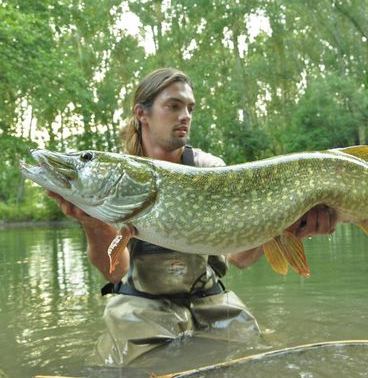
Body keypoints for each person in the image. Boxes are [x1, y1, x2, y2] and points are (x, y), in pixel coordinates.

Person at [48, 68, 337, 366]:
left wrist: (284, 226)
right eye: (173, 106)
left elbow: (241, 257)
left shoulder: (210, 169)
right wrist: (92, 222)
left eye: (189, 108)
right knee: (137, 367)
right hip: (140, 303)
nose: (185, 115)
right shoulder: (117, 177)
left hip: (208, 300)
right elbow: (114, 272)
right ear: (142, 114)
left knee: (255, 359)